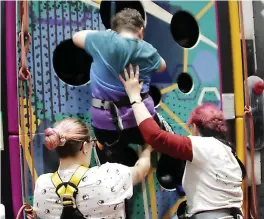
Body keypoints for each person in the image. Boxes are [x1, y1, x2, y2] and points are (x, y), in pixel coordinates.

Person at [119, 65, 246, 219]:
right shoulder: (230, 153)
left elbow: (155, 137)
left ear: (195, 128)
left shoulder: (204, 146)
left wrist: (134, 97)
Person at [72, 8, 166, 165]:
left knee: (110, 157)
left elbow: (76, 37)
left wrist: (106, 34)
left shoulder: (102, 40)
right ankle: (153, 148)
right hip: (140, 121)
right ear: (141, 31)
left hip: (105, 125)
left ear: (114, 30)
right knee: (161, 128)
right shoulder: (148, 50)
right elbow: (162, 66)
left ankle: (106, 153)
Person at [33, 117, 152, 219]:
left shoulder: (41, 185)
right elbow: (141, 170)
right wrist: (148, 147)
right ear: (84, 146)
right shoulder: (110, 175)